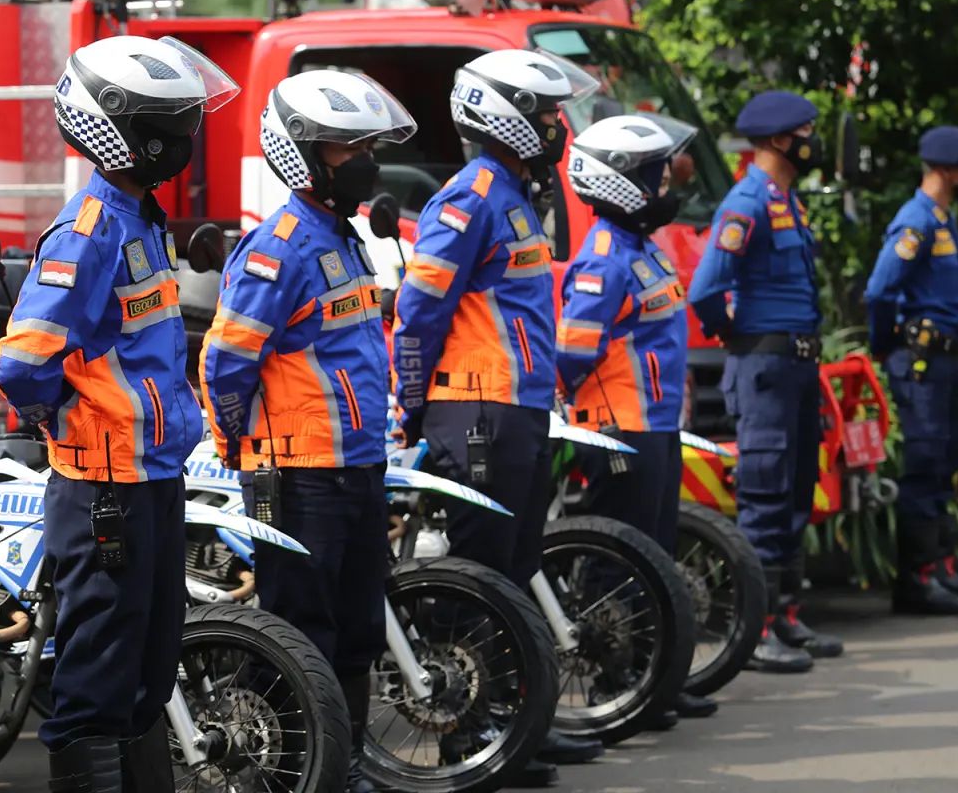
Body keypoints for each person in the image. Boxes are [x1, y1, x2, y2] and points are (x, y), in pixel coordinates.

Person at [0, 35, 239, 793]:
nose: (184, 138)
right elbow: (23, 364)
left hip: (151, 478)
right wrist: (76, 421)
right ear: (117, 130)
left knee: (146, 675)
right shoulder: (90, 230)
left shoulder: (145, 221)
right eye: (167, 123)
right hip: (104, 488)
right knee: (96, 682)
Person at [199, 69, 416, 793]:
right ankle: (286, 773)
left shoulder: (344, 238)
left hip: (355, 465)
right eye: (343, 146)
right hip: (295, 471)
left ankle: (342, 770)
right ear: (299, 153)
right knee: (297, 632)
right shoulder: (278, 248)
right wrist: (239, 448)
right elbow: (228, 361)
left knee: (354, 632)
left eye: (366, 144)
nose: (362, 158)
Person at [391, 48, 604, 782]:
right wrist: (412, 400)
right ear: (505, 118)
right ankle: (468, 733)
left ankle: (521, 724)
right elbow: (418, 308)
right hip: (475, 408)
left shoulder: (515, 194)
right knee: (480, 576)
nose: (556, 126)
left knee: (515, 568)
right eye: (546, 114)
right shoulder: (470, 196)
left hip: (515, 408)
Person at [556, 113, 719, 723]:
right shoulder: (603, 257)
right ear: (619, 182)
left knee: (653, 557)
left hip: (653, 423)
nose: (663, 187)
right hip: (618, 425)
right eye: (653, 176)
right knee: (616, 560)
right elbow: (573, 352)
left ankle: (658, 677)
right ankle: (613, 682)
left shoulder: (642, 249)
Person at [687, 90, 843, 674]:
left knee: (797, 490)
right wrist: (736, 336)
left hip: (796, 366)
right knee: (765, 494)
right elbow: (705, 288)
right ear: (780, 140)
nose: (813, 140)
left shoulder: (785, 199)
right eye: (806, 131)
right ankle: (753, 630)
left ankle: (786, 615)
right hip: (766, 366)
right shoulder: (747, 201)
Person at [865, 126, 958, 616]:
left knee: (945, 458)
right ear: (946, 169)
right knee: (923, 464)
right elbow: (879, 291)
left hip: (944, 361)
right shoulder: (916, 221)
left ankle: (940, 569)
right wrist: (883, 344)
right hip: (919, 362)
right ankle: (915, 583)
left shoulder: (942, 219)